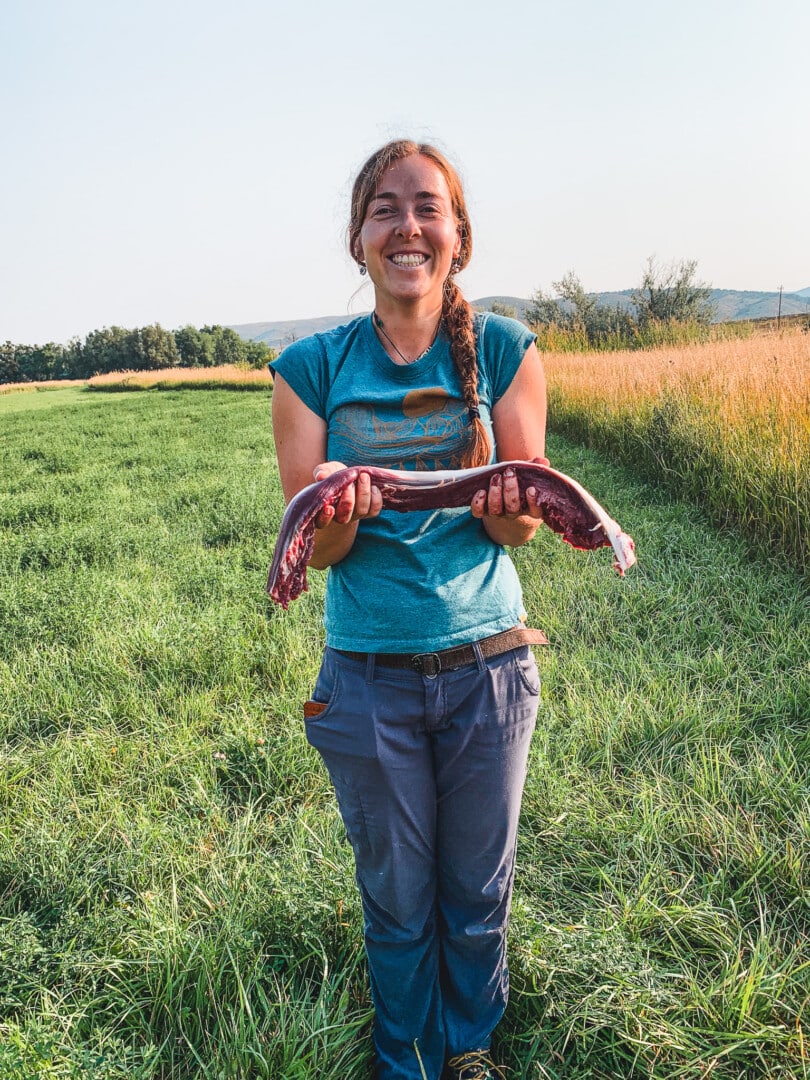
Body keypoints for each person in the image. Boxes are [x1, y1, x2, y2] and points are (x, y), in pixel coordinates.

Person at [270, 139, 548, 1080]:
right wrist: (339, 515)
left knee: (475, 889)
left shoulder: (507, 350)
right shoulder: (308, 368)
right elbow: (323, 548)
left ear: (458, 237)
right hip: (368, 673)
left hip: (489, 664)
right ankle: (408, 1061)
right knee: (395, 895)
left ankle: (468, 1048)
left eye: (428, 207)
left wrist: (511, 512)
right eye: (385, 208)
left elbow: (521, 531)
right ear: (358, 239)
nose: (407, 226)